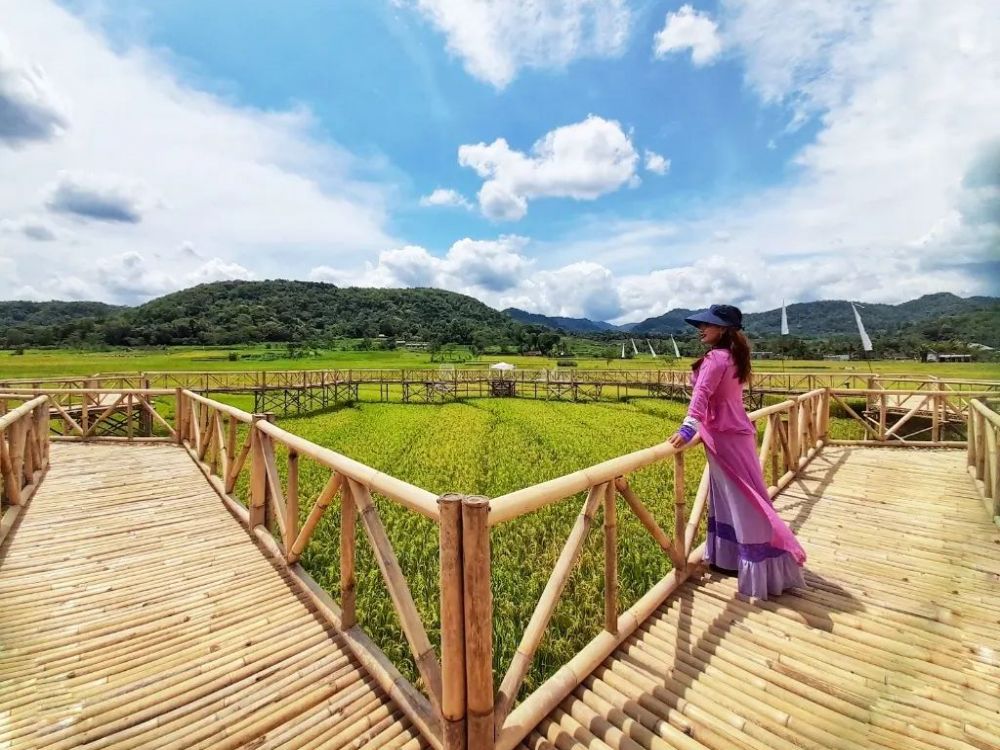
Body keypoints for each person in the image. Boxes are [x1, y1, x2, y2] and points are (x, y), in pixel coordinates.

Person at [667, 304, 805, 600]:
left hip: (725, 437)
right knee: (737, 497)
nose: (701, 329)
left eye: (708, 325)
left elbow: (701, 395)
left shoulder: (716, 358)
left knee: (744, 499)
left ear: (724, 330)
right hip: (734, 434)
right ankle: (731, 559)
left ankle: (760, 561)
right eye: (701, 325)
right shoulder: (734, 356)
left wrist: (688, 427)